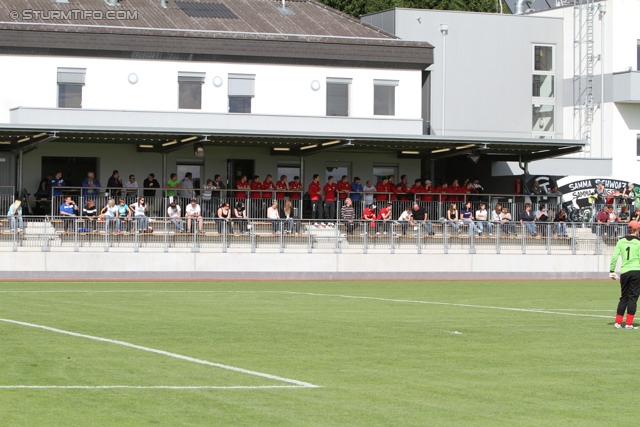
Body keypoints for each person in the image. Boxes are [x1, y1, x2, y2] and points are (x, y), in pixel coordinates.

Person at [609, 220, 640, 329]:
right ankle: (629, 324)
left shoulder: (621, 241)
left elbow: (614, 257)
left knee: (624, 297)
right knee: (633, 298)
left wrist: (612, 271)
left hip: (625, 272)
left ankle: (618, 322)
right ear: (637, 229)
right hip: (636, 271)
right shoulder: (638, 242)